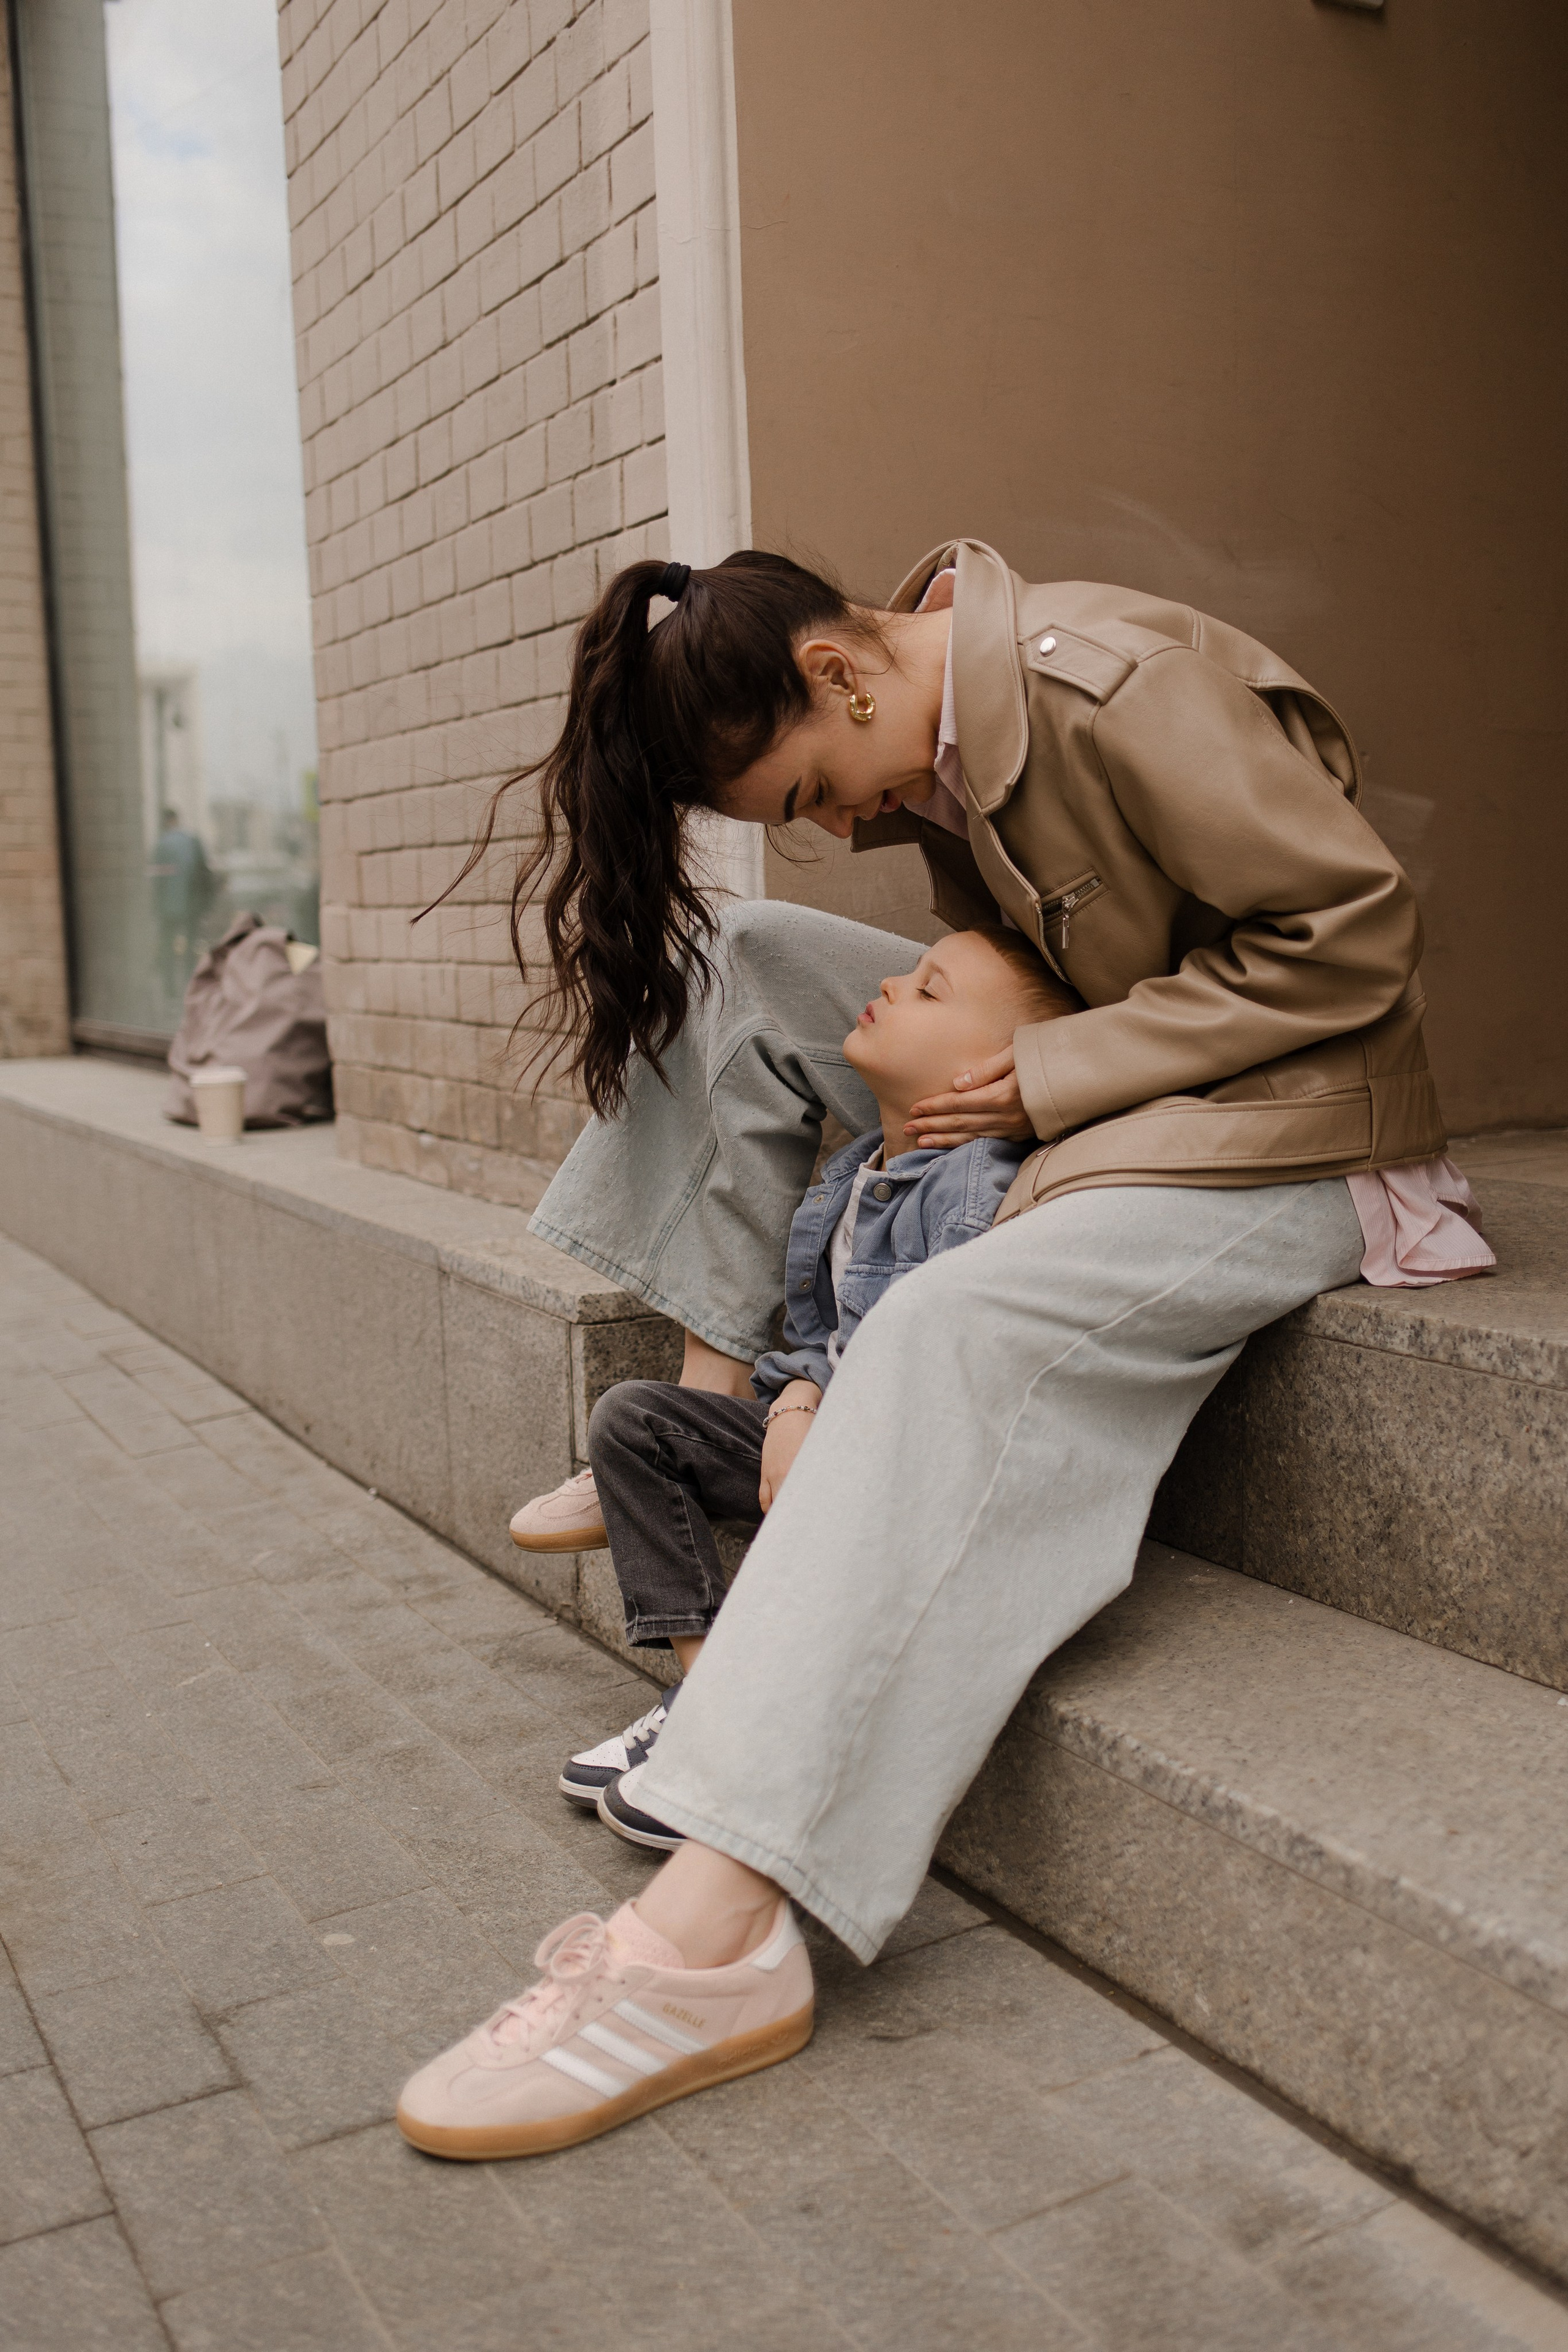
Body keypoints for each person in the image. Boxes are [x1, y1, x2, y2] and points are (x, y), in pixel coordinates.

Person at [396, 541, 1493, 2163]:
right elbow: (1037, 981)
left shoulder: (1111, 689)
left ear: (841, 675)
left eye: (812, 791)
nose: (838, 830)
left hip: (1293, 1129)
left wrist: (1050, 1085)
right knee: (759, 963)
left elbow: (1352, 934)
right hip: (1129, 1080)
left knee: (946, 1322)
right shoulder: (953, 740)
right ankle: (732, 1416)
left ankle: (713, 1936)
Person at [555, 926, 1078, 1850]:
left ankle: (748, 1732)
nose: (886, 982)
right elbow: (812, 1334)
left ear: (984, 1074)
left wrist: (804, 1399)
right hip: (819, 1441)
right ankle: (712, 1700)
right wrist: (795, 1395)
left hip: (898, 1469)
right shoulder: (851, 1171)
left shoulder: (971, 1190)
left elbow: (919, 1342)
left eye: (928, 991)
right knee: (634, 1421)